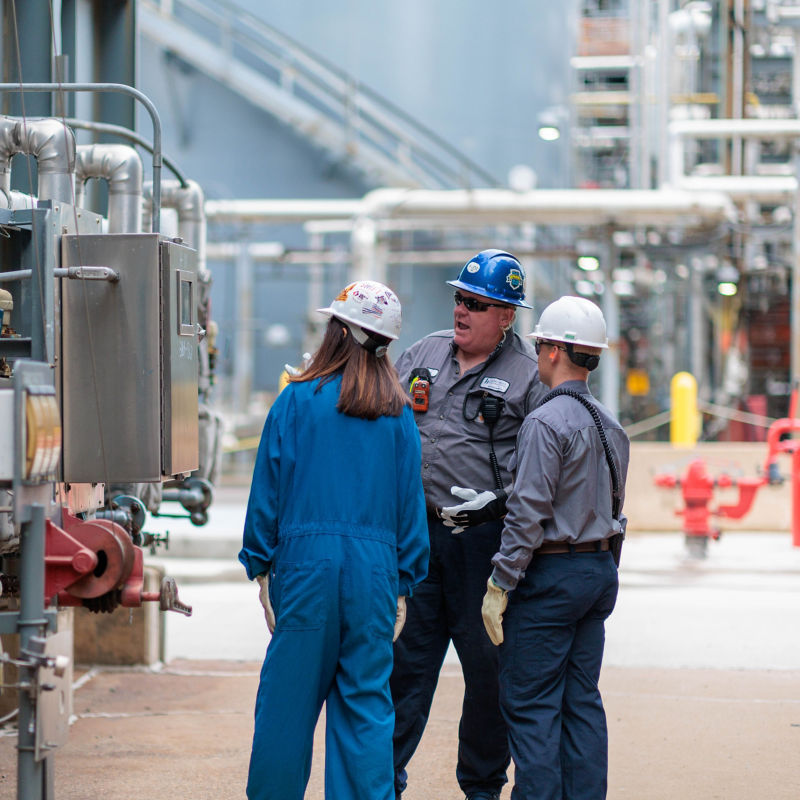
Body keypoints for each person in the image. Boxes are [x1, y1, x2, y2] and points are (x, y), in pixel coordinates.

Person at [239, 280, 430, 800]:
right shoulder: (399, 417)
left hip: (304, 569)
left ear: (339, 331)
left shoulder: (296, 401)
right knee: (366, 711)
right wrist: (403, 584)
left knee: (287, 708)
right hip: (375, 576)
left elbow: (267, 491)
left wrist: (261, 567)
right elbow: (409, 508)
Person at [390, 249, 546, 800]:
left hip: (486, 547)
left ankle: (480, 788)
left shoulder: (530, 377)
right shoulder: (422, 354)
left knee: (487, 678)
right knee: (404, 666)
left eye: (476, 304)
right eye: (460, 298)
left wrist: (497, 502)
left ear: (507, 316)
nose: (462, 310)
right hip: (419, 542)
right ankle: (383, 780)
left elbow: (543, 472)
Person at [481, 295, 630, 800]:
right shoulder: (610, 425)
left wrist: (501, 581)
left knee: (531, 705)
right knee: (581, 701)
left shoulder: (546, 422)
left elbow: (527, 513)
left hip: (549, 580)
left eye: (540, 342)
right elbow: (616, 508)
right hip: (597, 572)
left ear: (552, 351)